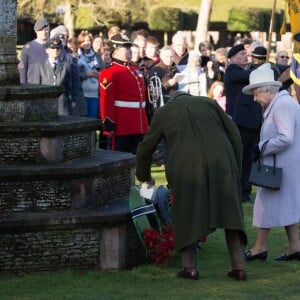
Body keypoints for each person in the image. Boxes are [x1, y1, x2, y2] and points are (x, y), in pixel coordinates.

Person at [135, 92, 247, 281]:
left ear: (173, 99)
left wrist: (145, 177)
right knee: (231, 214)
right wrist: (236, 168)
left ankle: (190, 268)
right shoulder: (210, 103)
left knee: (186, 213)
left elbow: (145, 149)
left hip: (186, 166)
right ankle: (240, 268)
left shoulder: (164, 112)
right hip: (222, 161)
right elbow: (234, 134)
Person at [242, 63, 300, 262]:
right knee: (285, 206)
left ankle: (259, 248)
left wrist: (261, 147)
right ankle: (295, 247)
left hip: (281, 167)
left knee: (263, 206)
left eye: (256, 93)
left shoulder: (283, 105)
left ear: (268, 90)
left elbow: (286, 137)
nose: (255, 98)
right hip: (282, 166)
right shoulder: (280, 103)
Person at [224, 44, 262, 204]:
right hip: (241, 123)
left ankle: (245, 191)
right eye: (241, 54)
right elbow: (249, 75)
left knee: (249, 158)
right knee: (240, 158)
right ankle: (236, 191)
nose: (245, 56)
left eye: (245, 54)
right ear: (232, 58)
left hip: (253, 122)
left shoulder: (248, 71)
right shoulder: (232, 71)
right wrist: (262, 69)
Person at [99, 33, 148, 154]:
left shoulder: (135, 69)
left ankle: (137, 173)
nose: (130, 50)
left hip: (139, 121)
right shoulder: (110, 73)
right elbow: (106, 100)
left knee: (138, 154)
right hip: (122, 122)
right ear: (115, 52)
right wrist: (108, 121)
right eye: (126, 48)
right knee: (121, 155)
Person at [32, 37, 72, 116]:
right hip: (45, 102)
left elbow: (69, 86)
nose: (55, 50)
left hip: (62, 104)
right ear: (47, 50)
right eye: (53, 48)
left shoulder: (66, 65)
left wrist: (70, 100)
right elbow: (36, 86)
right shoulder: (40, 66)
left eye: (58, 48)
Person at [77, 31, 104, 118]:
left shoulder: (97, 56)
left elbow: (103, 72)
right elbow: (75, 75)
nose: (87, 43)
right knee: (83, 119)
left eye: (88, 40)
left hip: (95, 94)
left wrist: (98, 74)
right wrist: (87, 74)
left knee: (93, 118)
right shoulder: (76, 57)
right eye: (84, 41)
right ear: (80, 43)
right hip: (82, 94)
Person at [18, 18, 50, 84]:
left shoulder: (54, 47)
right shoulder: (28, 47)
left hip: (50, 84)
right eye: (41, 30)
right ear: (36, 31)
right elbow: (22, 69)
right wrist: (23, 87)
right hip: (33, 85)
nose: (44, 32)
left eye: (46, 30)